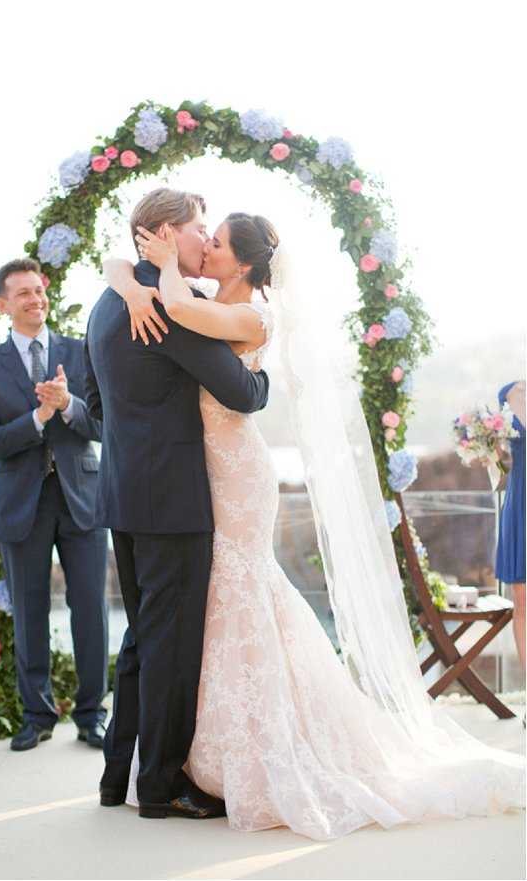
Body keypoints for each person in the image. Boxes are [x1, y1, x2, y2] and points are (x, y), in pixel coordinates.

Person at [105, 211, 524, 840]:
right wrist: (131, 278)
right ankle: (199, 749)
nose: (207, 246)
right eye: (204, 236)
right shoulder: (199, 296)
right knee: (219, 600)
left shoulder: (243, 315)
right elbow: (131, 280)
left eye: (215, 242)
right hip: (199, 475)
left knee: (237, 588)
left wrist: (154, 271)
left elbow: (187, 324)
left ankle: (232, 749)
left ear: (242, 264)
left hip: (236, 474)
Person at [84, 189, 270, 820]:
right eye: (196, 228)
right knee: (171, 645)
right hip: (172, 502)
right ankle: (161, 786)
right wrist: (269, 377)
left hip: (124, 496)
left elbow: (99, 407)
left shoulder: (106, 305)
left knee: (140, 639)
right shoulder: (166, 307)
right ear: (163, 233)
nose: (201, 240)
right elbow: (241, 392)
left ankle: (117, 778)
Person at [0, 259, 108, 752]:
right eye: (22, 294)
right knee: (30, 613)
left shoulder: (80, 351)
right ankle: (37, 715)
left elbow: (100, 424)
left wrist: (69, 405)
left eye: (38, 290)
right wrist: (39, 415)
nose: (35, 299)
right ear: (3, 305)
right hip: (20, 502)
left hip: (82, 498)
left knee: (90, 609)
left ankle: (93, 715)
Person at [495, 380, 526, 672]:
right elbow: (503, 463)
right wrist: (491, 448)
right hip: (520, 504)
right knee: (522, 602)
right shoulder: (507, 393)